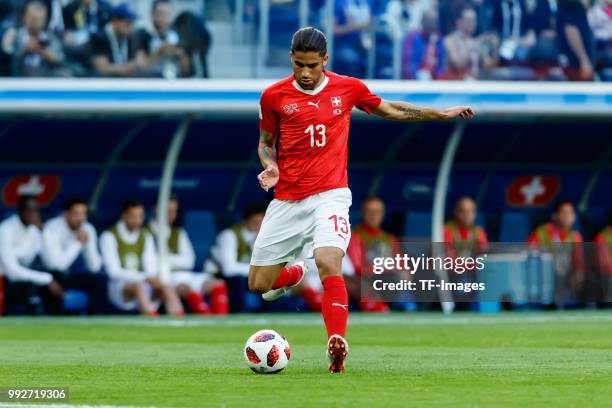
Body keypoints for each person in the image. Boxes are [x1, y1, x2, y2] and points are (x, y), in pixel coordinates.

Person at [249, 27, 474, 373]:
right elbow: (266, 142)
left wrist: (440, 114)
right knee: (259, 284)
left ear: (326, 60)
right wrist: (271, 166)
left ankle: (335, 343)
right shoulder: (274, 95)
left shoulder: (347, 88)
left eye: (312, 65)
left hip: (330, 195)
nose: (306, 73)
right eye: (299, 66)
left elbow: (392, 110)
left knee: (328, 261)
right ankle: (293, 273)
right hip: (288, 199)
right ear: (291, 60)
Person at [100, 199, 183, 317]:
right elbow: (113, 272)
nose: (138, 220)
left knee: (166, 286)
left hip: (144, 283)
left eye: (140, 216)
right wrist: (144, 277)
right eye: (133, 216)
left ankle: (179, 318)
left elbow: (150, 266)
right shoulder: (109, 236)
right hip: (118, 286)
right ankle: (150, 315)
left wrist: (152, 279)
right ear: (124, 216)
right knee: (138, 286)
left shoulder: (145, 236)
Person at [147, 194, 228, 315]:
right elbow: (151, 261)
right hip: (165, 277)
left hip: (185, 273)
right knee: (185, 287)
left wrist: (165, 259)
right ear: (156, 210)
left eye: (174, 211)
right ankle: (206, 320)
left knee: (218, 284)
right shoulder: (146, 233)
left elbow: (189, 261)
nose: (172, 214)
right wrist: (174, 260)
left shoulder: (179, 233)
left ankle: (221, 322)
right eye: (168, 210)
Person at [0, 195, 64, 314]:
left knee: (58, 276)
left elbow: (52, 262)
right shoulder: (5, 230)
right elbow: (12, 272)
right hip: (6, 281)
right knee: (33, 285)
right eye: (29, 210)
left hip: (27, 275)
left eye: (35, 210)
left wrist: (43, 232)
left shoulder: (34, 231)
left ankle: (58, 323)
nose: (33, 214)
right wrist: (46, 279)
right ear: (20, 211)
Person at [41, 197, 107, 313]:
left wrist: (88, 245)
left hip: (73, 276)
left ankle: (97, 320)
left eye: (83, 214)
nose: (81, 218)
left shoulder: (88, 228)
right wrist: (77, 243)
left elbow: (95, 267)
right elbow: (57, 265)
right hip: (53, 275)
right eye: (77, 214)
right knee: (53, 282)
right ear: (66, 214)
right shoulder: (52, 227)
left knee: (99, 280)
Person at [205, 203, 266, 313]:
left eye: (261, 223)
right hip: (218, 275)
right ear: (244, 221)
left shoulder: (261, 237)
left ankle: (270, 315)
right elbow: (229, 269)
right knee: (239, 280)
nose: (258, 226)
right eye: (254, 222)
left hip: (246, 275)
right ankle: (238, 313)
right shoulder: (229, 235)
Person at [527, 201, 585, 304]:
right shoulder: (542, 232)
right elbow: (529, 255)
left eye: (570, 213)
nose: (567, 216)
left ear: (574, 217)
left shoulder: (576, 236)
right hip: (545, 275)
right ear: (555, 216)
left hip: (566, 275)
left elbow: (579, 262)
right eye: (564, 212)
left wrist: (579, 273)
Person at [346, 197, 396, 312]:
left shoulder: (389, 238)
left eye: (377, 212)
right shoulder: (355, 236)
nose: (373, 216)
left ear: (383, 214)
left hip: (388, 279)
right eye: (370, 212)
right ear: (363, 213)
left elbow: (400, 263)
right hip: (367, 279)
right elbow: (357, 267)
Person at [1, 0, 66, 77]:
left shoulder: (52, 38)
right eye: (33, 18)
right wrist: (25, 49)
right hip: (18, 82)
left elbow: (62, 61)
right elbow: (6, 61)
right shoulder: (15, 36)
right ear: (24, 17)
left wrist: (46, 54)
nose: (37, 22)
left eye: (41, 19)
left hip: (44, 81)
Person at [134, 0, 189, 79]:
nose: (163, 18)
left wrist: (181, 55)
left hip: (173, 80)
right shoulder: (142, 34)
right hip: (149, 82)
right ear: (152, 14)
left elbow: (186, 71)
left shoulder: (177, 35)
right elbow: (139, 67)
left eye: (167, 14)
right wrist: (160, 52)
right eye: (160, 13)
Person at [89, 3, 146, 77]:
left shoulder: (130, 37)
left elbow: (140, 62)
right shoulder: (99, 37)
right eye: (128, 23)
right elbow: (102, 69)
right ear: (114, 21)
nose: (131, 27)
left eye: (133, 23)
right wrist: (128, 67)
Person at [443, 7, 496, 79]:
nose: (473, 24)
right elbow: (457, 63)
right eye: (469, 21)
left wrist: (494, 48)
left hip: (474, 85)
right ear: (459, 22)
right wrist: (475, 46)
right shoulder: (450, 41)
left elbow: (489, 67)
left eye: (474, 21)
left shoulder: (475, 42)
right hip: (456, 86)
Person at [402, 9, 445, 80]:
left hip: (435, 83)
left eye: (434, 21)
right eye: (429, 21)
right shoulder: (412, 37)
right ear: (422, 21)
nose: (432, 25)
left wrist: (438, 79)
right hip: (415, 82)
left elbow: (441, 65)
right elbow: (408, 65)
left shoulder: (439, 39)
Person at [557, 0, 595, 81]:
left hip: (582, 58)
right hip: (574, 61)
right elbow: (571, 29)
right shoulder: (571, 6)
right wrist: (584, 61)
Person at [333, 0, 372, 78]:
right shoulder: (338, 3)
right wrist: (352, 27)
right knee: (351, 60)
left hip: (361, 43)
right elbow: (332, 29)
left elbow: (371, 22)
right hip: (342, 44)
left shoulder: (365, 2)